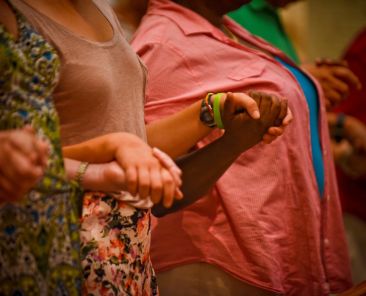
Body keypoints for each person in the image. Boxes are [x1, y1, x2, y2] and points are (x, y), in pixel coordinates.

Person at [10, 0, 291, 294]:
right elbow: (19, 156)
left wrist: (214, 111)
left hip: (127, 247)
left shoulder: (96, 8)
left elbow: (133, 138)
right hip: (66, 236)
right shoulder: (15, 17)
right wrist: (112, 152)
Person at [132, 0, 351, 295]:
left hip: (276, 257)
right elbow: (151, 181)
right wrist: (232, 141)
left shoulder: (226, 28)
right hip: (222, 271)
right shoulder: (163, 43)